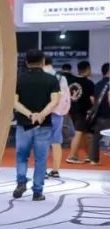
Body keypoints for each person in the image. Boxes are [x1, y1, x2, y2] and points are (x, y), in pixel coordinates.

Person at [12, 49, 60, 202]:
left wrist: (30, 115)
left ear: (26, 62)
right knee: (41, 159)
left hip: (23, 125)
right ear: (43, 62)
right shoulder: (52, 80)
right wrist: (41, 115)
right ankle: (37, 191)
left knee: (21, 156)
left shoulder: (19, 79)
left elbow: (14, 102)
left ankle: (21, 181)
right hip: (43, 125)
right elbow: (55, 101)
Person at [45, 57, 70, 178]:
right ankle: (55, 170)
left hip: (42, 113)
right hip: (57, 114)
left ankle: (42, 170)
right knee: (56, 141)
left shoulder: (40, 76)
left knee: (41, 141)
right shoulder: (61, 77)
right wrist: (62, 111)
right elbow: (66, 98)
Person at [66, 61, 97, 164]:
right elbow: (93, 99)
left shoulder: (71, 80)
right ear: (88, 69)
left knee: (83, 133)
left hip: (72, 110)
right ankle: (72, 156)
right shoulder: (89, 83)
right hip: (82, 112)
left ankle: (88, 155)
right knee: (79, 133)